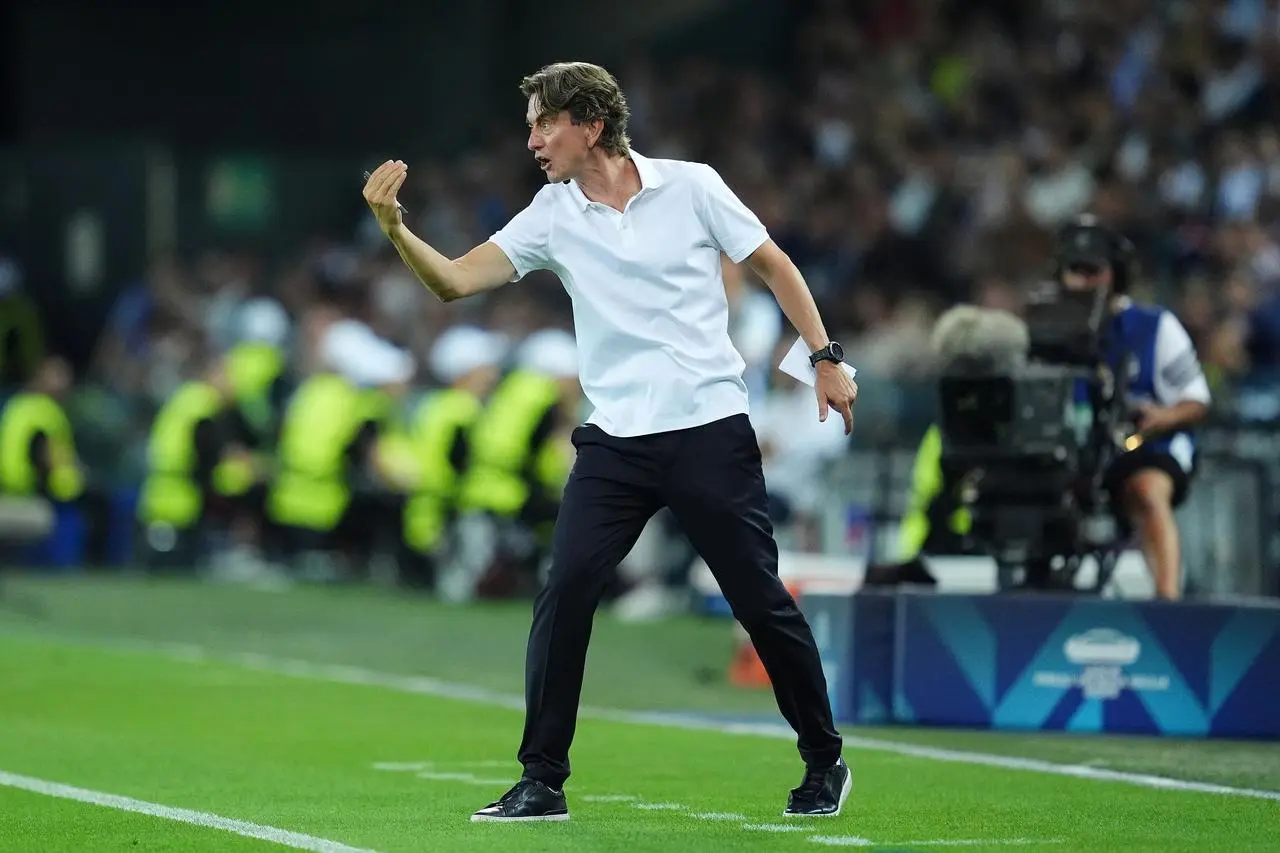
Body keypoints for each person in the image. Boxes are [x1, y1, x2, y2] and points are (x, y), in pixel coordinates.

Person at [362, 61, 857, 821]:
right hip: (615, 441)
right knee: (565, 593)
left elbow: (773, 265)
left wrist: (824, 357)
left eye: (544, 124)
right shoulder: (550, 213)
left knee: (759, 601)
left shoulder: (693, 186)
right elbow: (454, 281)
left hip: (708, 428)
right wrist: (397, 228)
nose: (532, 141)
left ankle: (824, 758)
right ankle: (541, 779)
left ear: (591, 125)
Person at [1055, 216, 1211, 600]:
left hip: (1144, 443)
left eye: (1092, 271)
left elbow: (1196, 401)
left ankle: (1167, 599)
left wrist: (1161, 418)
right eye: (1074, 271)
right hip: (1072, 450)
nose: (1082, 282)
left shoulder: (1154, 326)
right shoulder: (1052, 333)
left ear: (1115, 276)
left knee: (1146, 489)